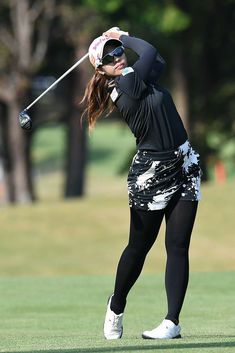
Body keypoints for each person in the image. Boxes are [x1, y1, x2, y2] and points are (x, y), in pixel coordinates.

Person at [82, 27, 201, 340]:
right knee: (139, 247)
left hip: (185, 163)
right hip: (152, 175)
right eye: (109, 56)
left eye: (117, 51)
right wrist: (122, 36)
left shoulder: (139, 77)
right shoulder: (124, 85)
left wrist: (120, 43)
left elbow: (156, 60)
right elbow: (148, 51)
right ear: (101, 69)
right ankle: (116, 305)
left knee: (178, 246)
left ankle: (172, 322)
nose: (117, 57)